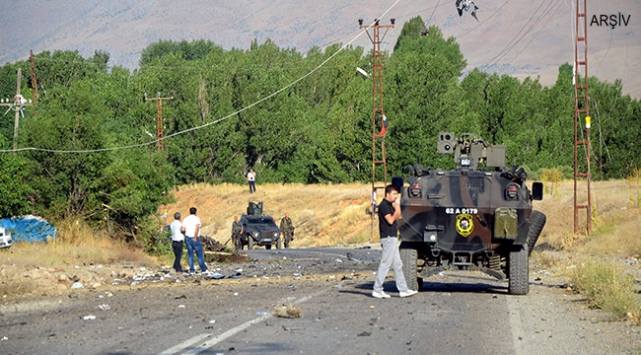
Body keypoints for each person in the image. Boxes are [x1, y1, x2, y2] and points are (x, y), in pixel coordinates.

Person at [372, 185, 418, 299]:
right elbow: (391, 220)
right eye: (394, 194)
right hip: (387, 237)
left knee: (398, 264)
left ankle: (403, 290)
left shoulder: (390, 206)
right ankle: (377, 289)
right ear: (387, 194)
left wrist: (396, 207)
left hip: (392, 237)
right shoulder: (383, 205)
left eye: (396, 195)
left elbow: (399, 216)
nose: (396, 197)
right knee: (385, 264)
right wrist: (397, 206)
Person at [182, 207, 208, 274]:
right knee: (199, 254)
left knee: (190, 254)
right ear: (195, 212)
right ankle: (204, 269)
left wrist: (186, 233)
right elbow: (197, 228)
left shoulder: (185, 219)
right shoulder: (197, 219)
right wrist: (195, 237)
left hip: (188, 238)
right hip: (194, 238)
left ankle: (192, 270)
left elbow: (183, 229)